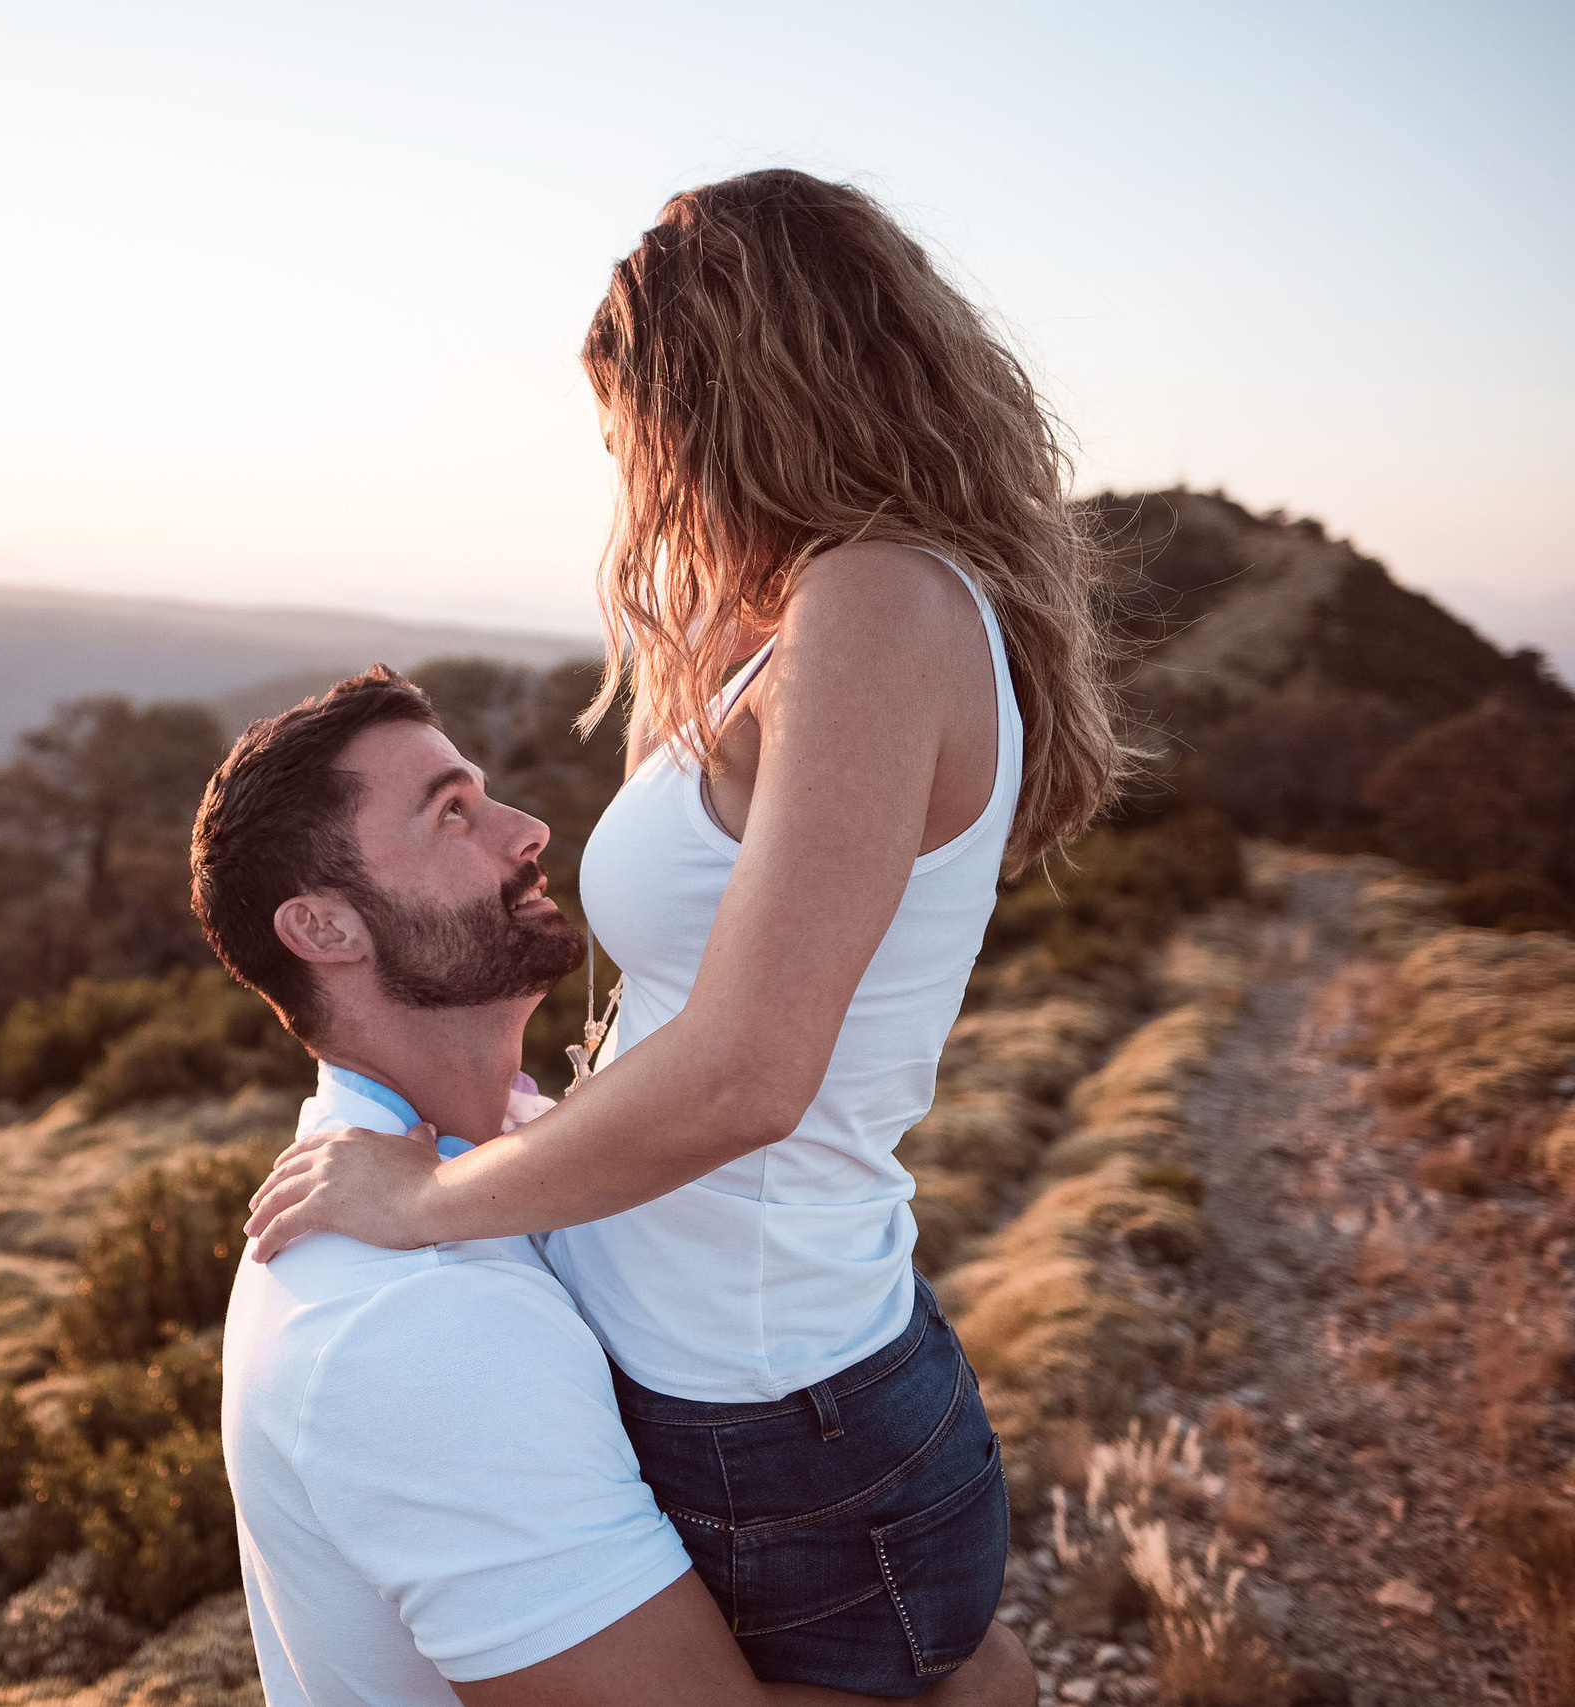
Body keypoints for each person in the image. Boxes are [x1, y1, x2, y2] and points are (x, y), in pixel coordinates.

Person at [242, 169, 1132, 1695]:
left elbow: (747, 1071)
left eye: (637, 423)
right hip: (756, 1378)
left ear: (728, 391)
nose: (634, 467)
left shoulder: (879, 605)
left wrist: (428, 1196)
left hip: (774, 1417)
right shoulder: (803, 616)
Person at [195, 668, 1034, 1707]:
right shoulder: (413, 1323)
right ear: (324, 929)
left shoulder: (506, 1146)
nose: (529, 829)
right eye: (451, 813)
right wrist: (977, 1688)